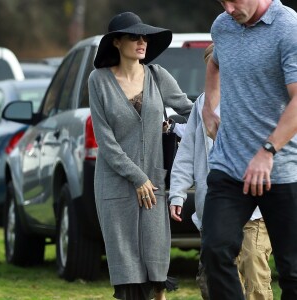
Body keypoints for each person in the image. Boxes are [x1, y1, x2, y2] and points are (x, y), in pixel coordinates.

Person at [88, 12, 193, 300]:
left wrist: (221, 112)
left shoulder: (158, 76)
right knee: (127, 270)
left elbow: (190, 110)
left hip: (154, 185)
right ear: (117, 43)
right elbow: (105, 141)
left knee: (155, 265)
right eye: (134, 37)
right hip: (115, 185)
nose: (142, 42)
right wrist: (137, 177)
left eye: (144, 37)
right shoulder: (98, 81)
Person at [201, 0, 297, 299]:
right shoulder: (223, 26)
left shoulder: (289, 29)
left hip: (282, 170)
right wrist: (208, 106)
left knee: (292, 270)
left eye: (234, 0)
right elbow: (215, 63)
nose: (228, 9)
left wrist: (267, 151)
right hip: (229, 166)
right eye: (222, 1)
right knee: (214, 252)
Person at [169, 43, 273, 300]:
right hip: (215, 208)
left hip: (254, 210)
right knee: (215, 280)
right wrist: (178, 194)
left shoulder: (257, 99)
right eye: (212, 70)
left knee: (254, 271)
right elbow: (187, 153)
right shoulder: (202, 104)